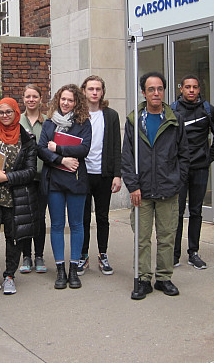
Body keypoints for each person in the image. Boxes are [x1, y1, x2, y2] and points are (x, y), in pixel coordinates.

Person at [121, 72, 189, 297]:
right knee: (142, 237)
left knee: (167, 236)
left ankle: (164, 278)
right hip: (142, 190)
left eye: (160, 89)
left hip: (168, 188)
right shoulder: (134, 120)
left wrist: (178, 180)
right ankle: (142, 279)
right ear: (143, 92)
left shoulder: (175, 120)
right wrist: (132, 186)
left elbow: (184, 155)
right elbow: (127, 156)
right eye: (151, 89)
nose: (156, 93)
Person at [0, 98, 37, 297]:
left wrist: (7, 177)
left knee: (13, 237)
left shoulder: (26, 139)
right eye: (1, 112)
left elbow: (30, 171)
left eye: (9, 112)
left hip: (14, 196)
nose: (5, 116)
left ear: (16, 113)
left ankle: (10, 275)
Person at [38, 84, 92, 290]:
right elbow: (41, 149)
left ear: (76, 102)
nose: (66, 103)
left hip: (77, 180)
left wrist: (59, 148)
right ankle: (60, 269)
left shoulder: (83, 123)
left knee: (77, 225)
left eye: (70, 100)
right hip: (55, 180)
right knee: (58, 225)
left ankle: (73, 269)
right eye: (63, 99)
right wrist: (63, 160)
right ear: (58, 100)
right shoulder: (49, 123)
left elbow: (84, 148)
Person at [170, 75, 214, 269]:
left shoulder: (209, 110)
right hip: (179, 170)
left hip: (200, 169)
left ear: (199, 89)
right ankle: (174, 255)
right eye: (187, 87)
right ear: (181, 89)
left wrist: (209, 158)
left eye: (195, 87)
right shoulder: (172, 110)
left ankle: (193, 252)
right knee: (177, 213)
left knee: (196, 211)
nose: (191, 90)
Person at [77, 75, 122, 276]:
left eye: (98, 89)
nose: (94, 92)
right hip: (83, 174)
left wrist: (117, 175)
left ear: (103, 92)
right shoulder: (78, 116)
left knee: (103, 217)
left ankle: (103, 254)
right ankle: (83, 255)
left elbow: (116, 147)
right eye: (90, 89)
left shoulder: (111, 115)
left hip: (104, 175)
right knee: (83, 217)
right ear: (84, 91)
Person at [19, 84, 48, 274]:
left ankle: (39, 255)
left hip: (42, 176)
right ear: (23, 99)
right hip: (22, 177)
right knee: (23, 217)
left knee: (39, 218)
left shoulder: (47, 122)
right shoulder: (17, 121)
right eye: (28, 96)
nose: (31, 100)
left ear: (40, 99)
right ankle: (26, 256)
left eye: (34, 96)